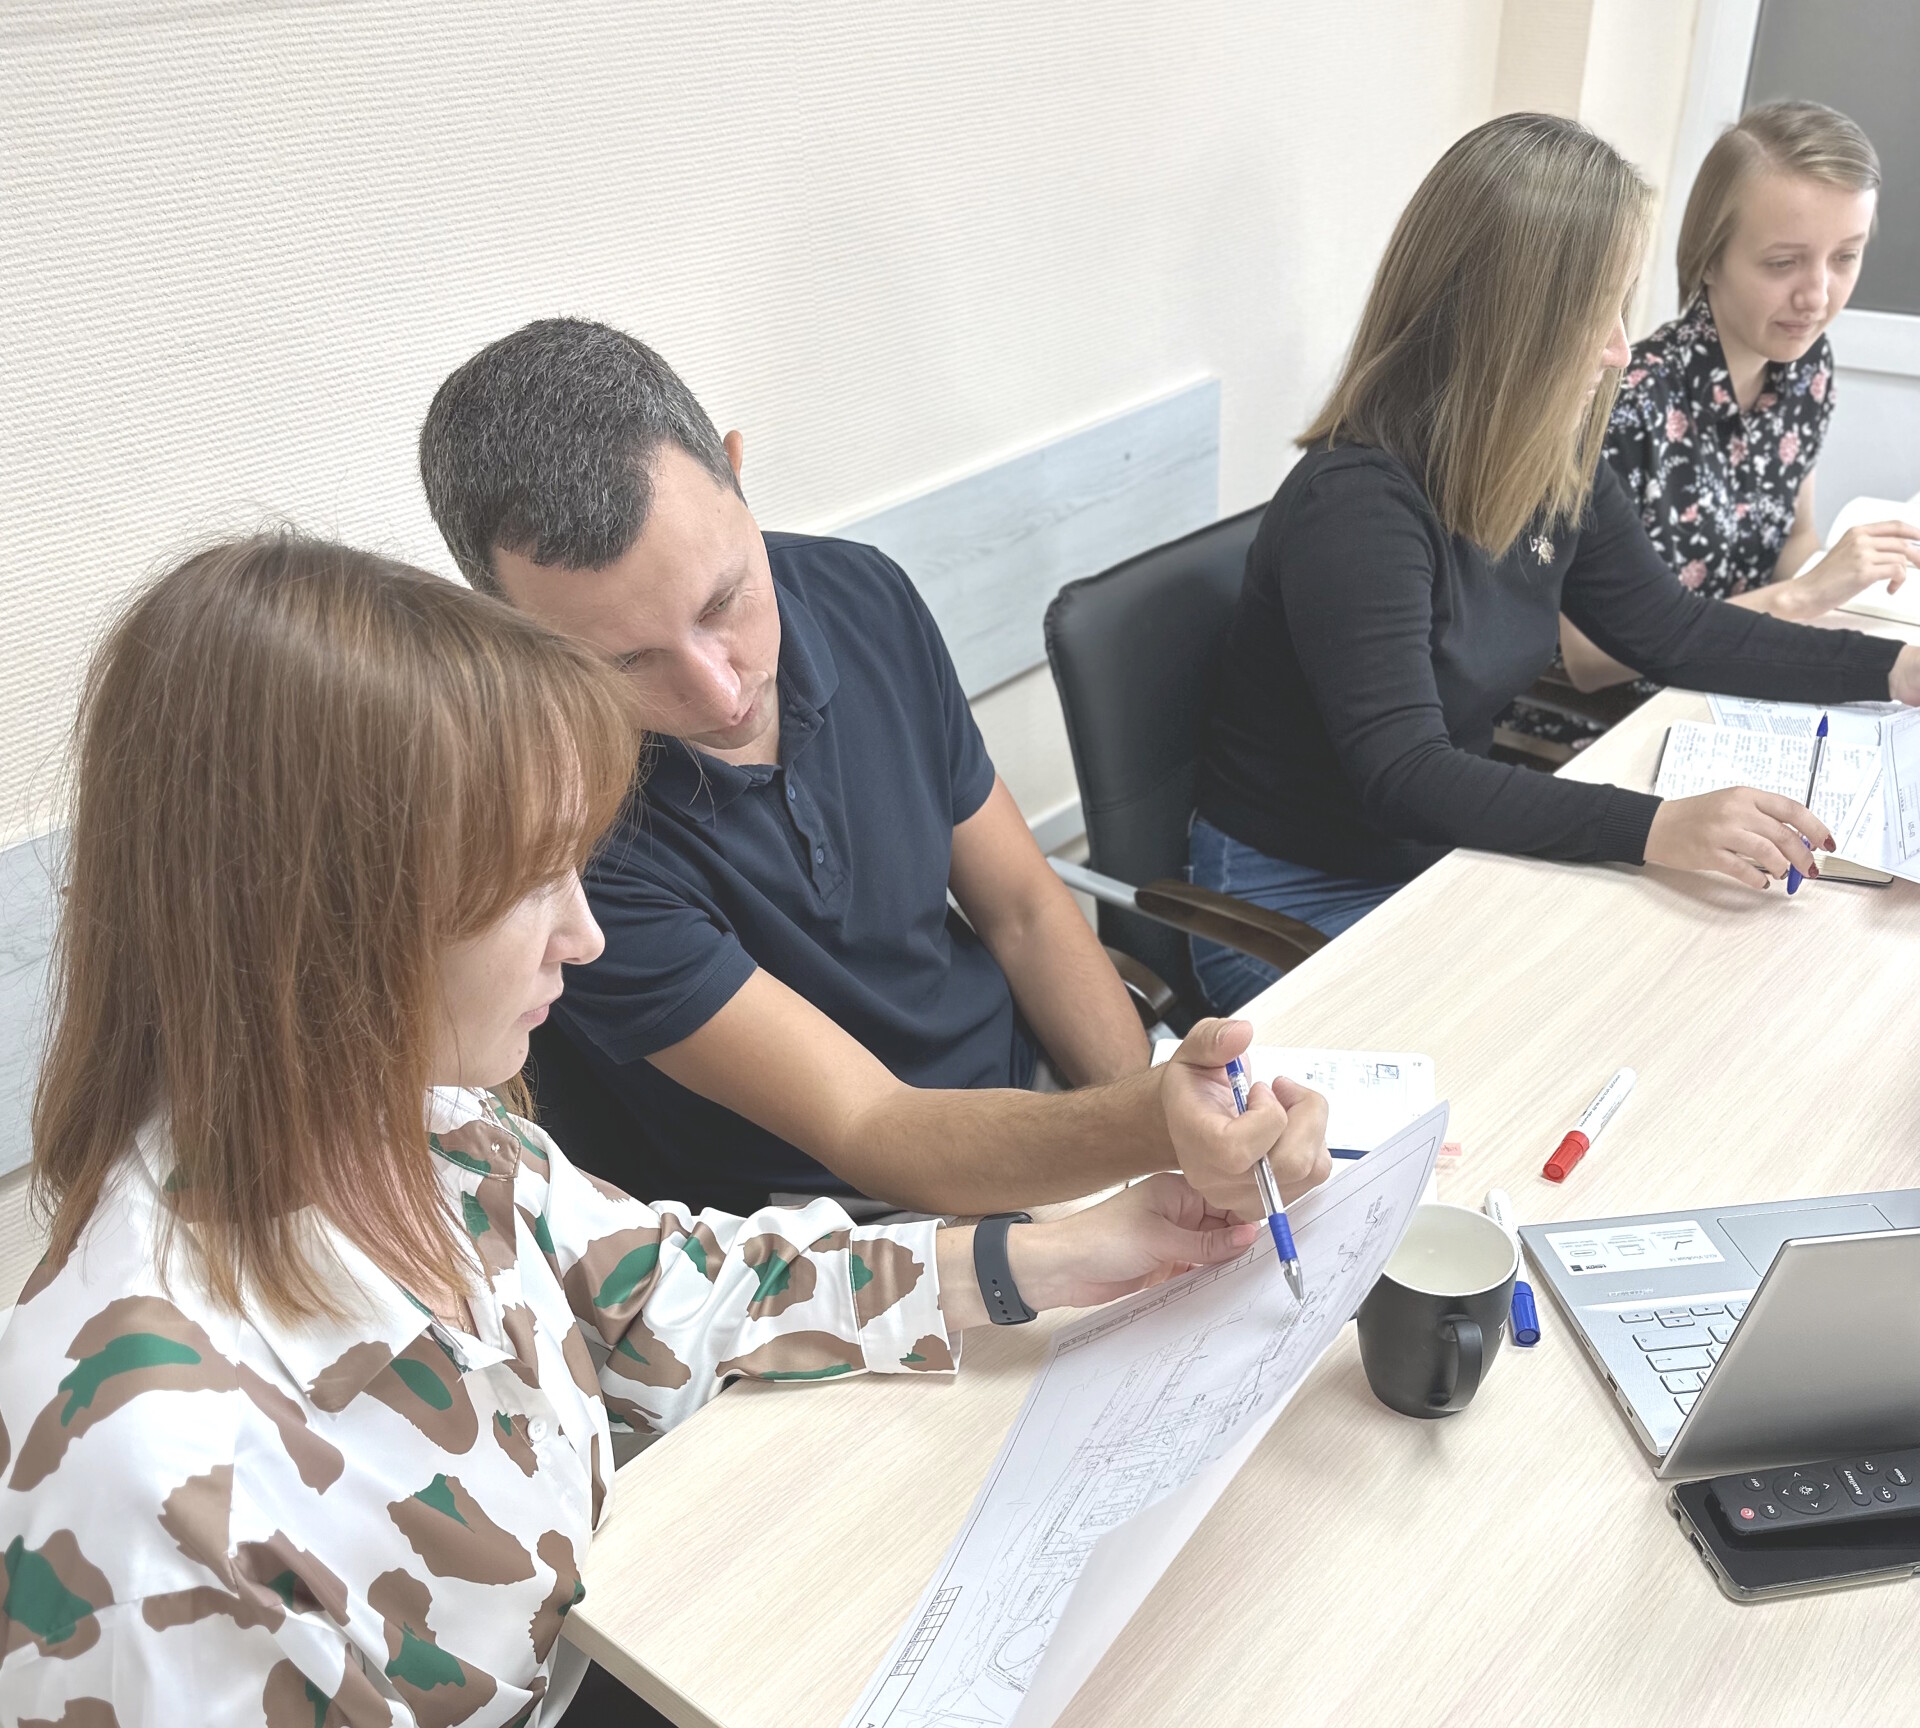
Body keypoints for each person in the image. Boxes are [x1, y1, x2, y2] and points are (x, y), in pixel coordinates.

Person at [0, 535, 1312, 1724]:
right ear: (328, 927)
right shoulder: (151, 1473)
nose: (584, 936)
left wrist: (1073, 1252)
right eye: (529, 885)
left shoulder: (436, 1126)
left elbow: (674, 1292)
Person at [419, 321, 1328, 1217]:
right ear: (515, 631)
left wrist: (1144, 1129)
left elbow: (1023, 909)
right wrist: (1147, 1130)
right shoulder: (562, 833)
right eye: (627, 662)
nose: (720, 691)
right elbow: (871, 1125)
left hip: (1046, 1107)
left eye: (724, 601)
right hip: (850, 1219)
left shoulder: (861, 594)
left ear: (736, 471)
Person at [1189, 112, 1920, 1015]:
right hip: (1291, 898)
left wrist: (1895, 668)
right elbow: (1405, 773)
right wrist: (1660, 826)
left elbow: (1670, 631)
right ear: (1505, 321)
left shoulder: (1546, 453)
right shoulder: (1357, 503)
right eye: (1593, 314)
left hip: (1439, 858)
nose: (1619, 348)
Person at [1516, 100, 1918, 735]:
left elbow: (1794, 538)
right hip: (1614, 721)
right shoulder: (1622, 399)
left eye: (1845, 257)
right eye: (1782, 263)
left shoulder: (1807, 367)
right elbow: (1590, 660)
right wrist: (1803, 595)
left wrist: (1833, 589)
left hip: (1738, 685)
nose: (1817, 296)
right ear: (1709, 257)